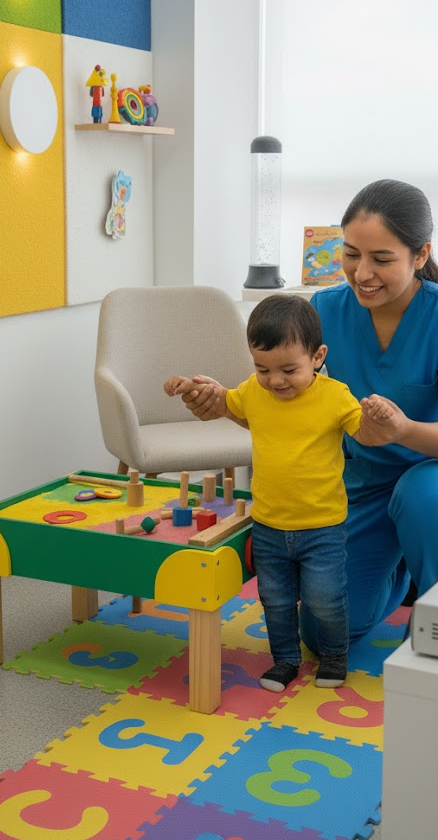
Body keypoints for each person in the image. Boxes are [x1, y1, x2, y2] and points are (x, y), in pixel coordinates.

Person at [175, 179, 438, 652]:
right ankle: (403, 568)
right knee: (323, 634)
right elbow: (290, 407)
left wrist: (403, 429)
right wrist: (224, 404)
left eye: (381, 259)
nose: (362, 272)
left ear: (420, 254)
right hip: (364, 485)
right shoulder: (325, 309)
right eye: (351, 254)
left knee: (423, 494)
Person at [164, 294, 392, 692]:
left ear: (318, 356)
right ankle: (284, 660)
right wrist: (192, 386)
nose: (275, 380)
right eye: (262, 368)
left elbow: (366, 434)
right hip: (269, 524)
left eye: (289, 369)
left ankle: (334, 656)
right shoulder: (254, 391)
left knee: (325, 599)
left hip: (322, 526)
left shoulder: (335, 395)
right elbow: (224, 401)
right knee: (275, 601)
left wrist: (380, 418)